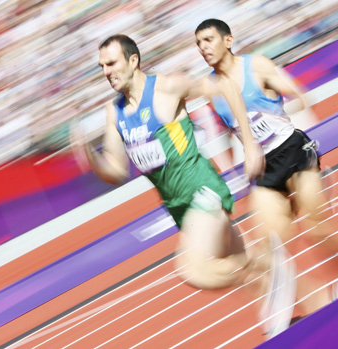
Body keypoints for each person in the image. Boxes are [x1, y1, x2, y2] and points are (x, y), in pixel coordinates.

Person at [71, 34, 296, 337]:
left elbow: (225, 85)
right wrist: (89, 156)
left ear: (133, 60)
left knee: (193, 269)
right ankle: (295, 305)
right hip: (178, 207)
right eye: (101, 66)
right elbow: (115, 170)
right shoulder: (116, 112)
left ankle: (270, 267)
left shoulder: (166, 87)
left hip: (203, 190)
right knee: (238, 263)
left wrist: (250, 144)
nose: (106, 71)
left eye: (111, 63)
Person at [194, 19, 338, 318]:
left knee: (319, 232)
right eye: (199, 43)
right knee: (269, 247)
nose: (203, 48)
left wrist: (278, 119)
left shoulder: (258, 66)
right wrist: (234, 164)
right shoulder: (209, 88)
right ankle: (316, 304)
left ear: (228, 40)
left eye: (209, 40)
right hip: (264, 170)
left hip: (292, 151)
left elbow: (301, 96)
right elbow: (226, 130)